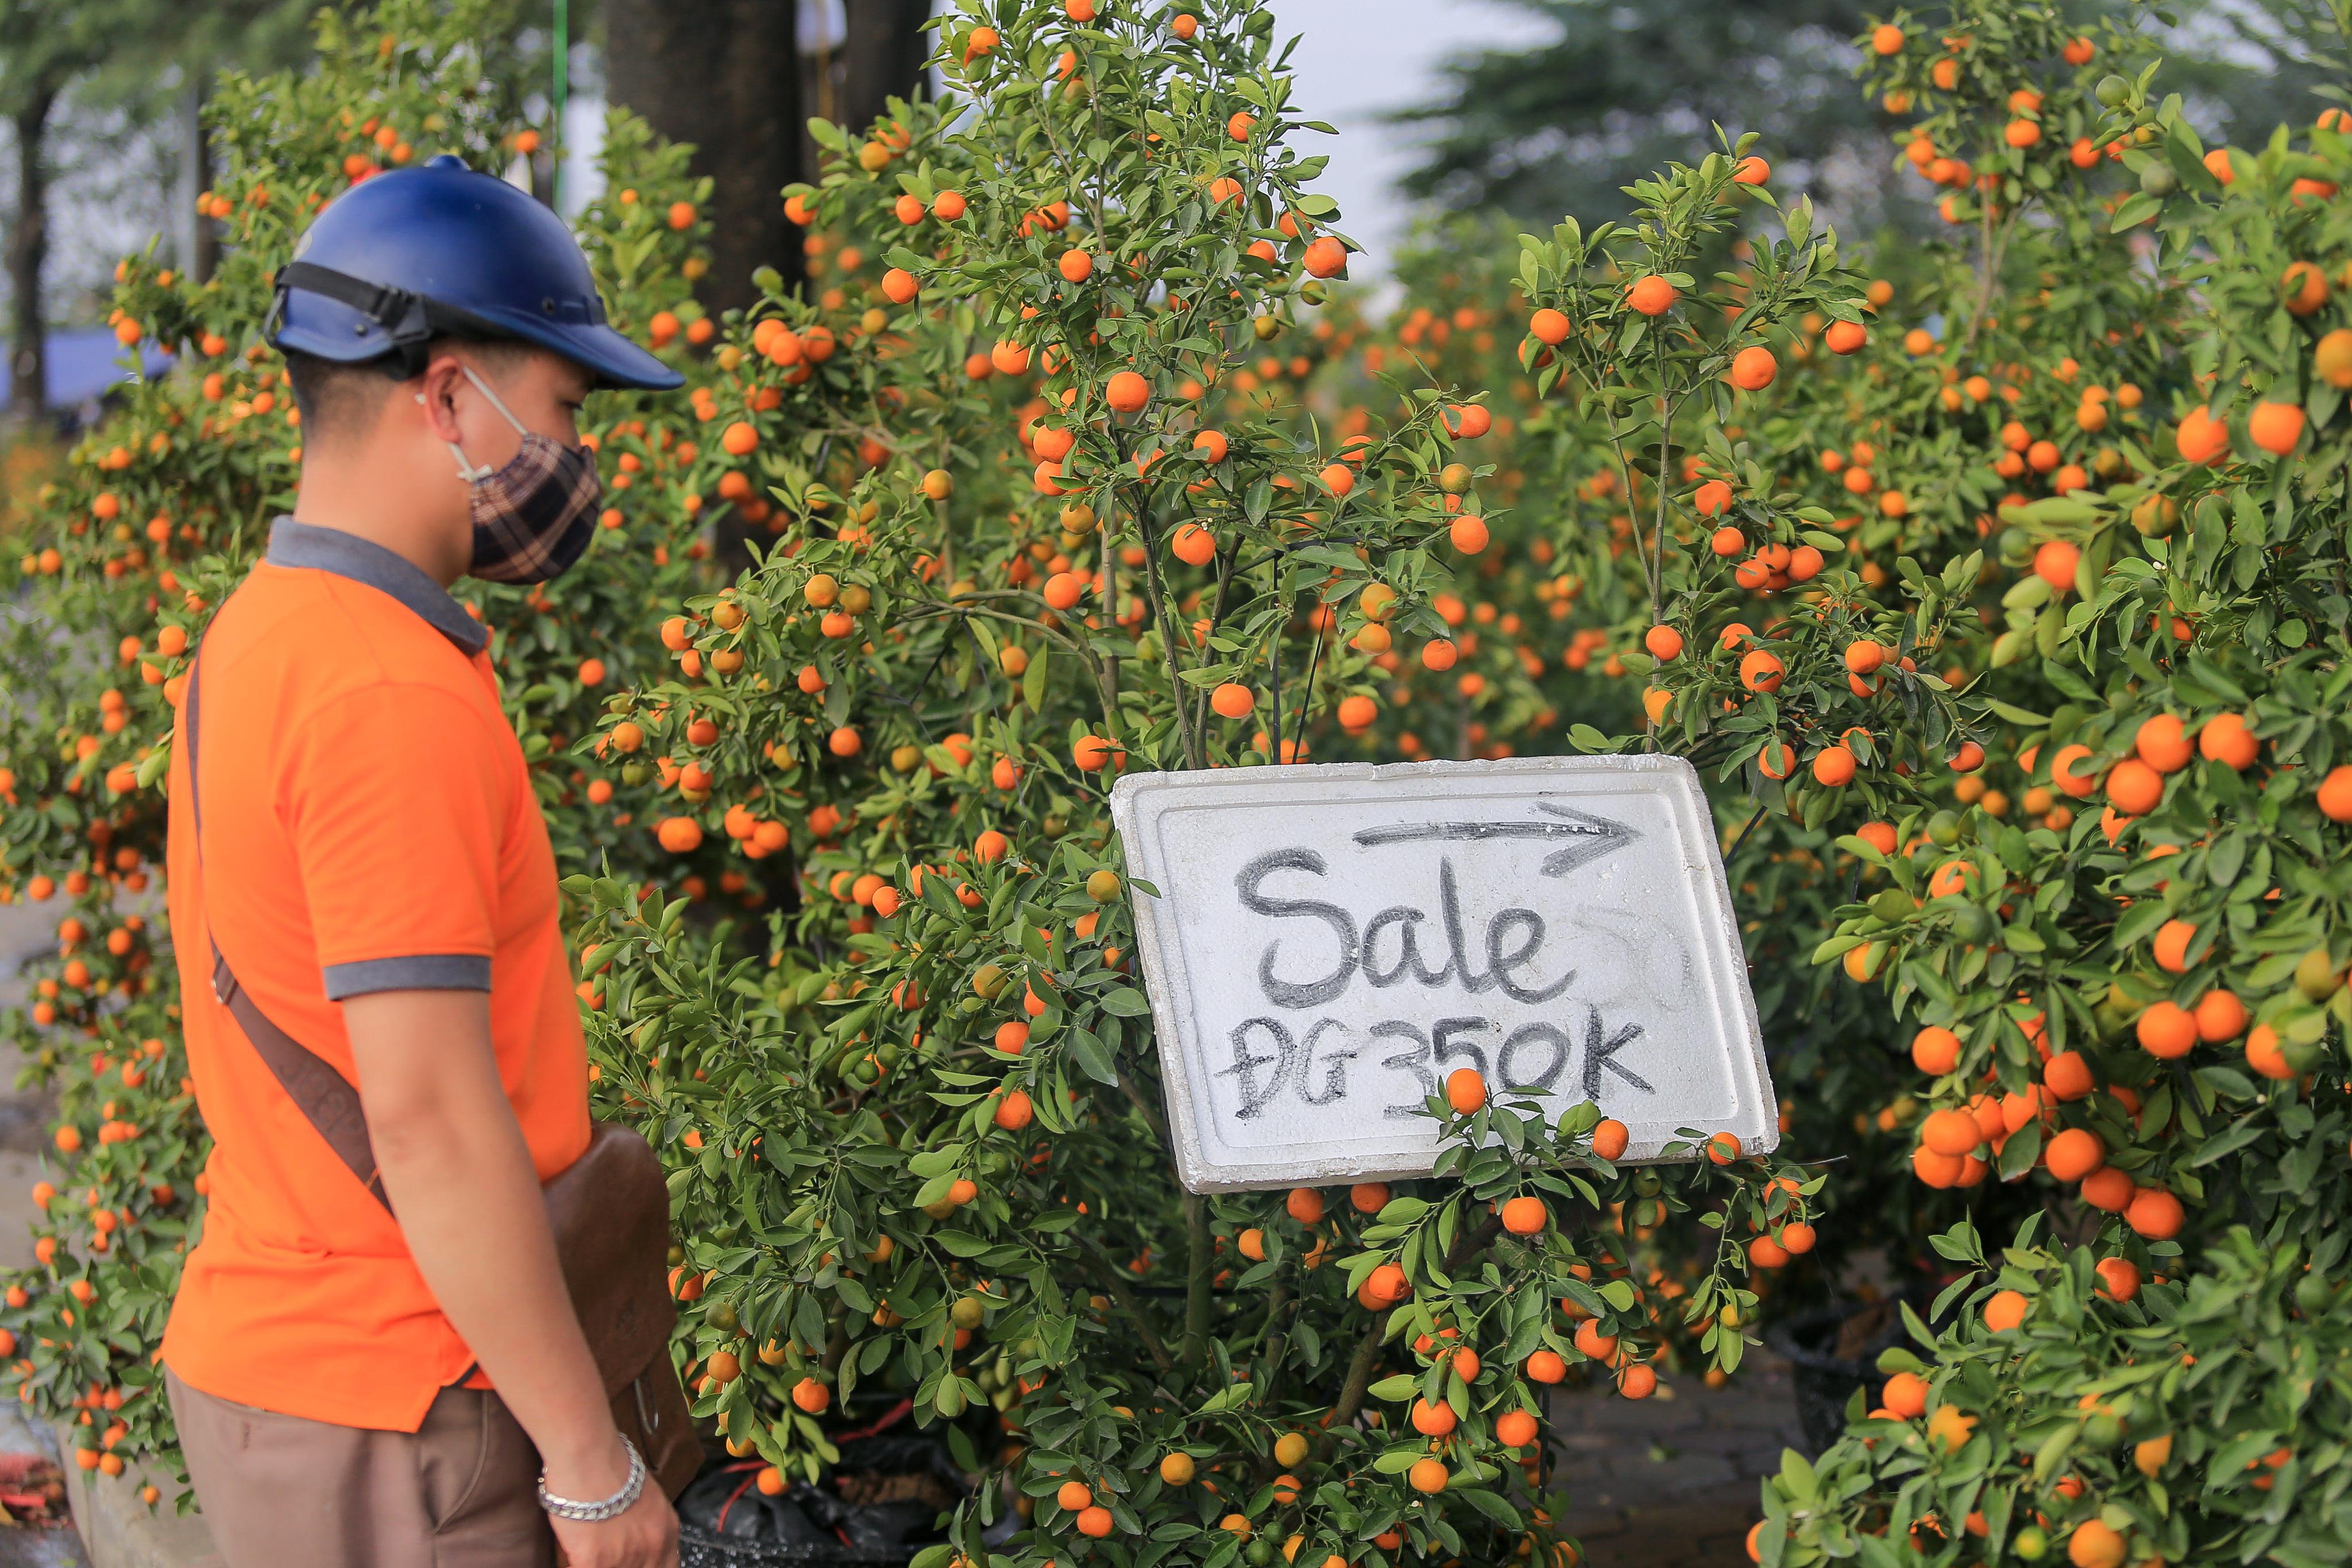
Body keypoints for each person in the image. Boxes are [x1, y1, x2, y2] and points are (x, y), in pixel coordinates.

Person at [159, 154, 685, 1567]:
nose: (577, 457)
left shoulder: (261, 634)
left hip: (299, 1369)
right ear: (448, 395)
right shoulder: (384, 691)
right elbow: (430, 1121)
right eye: (566, 410)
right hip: (406, 1411)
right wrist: (588, 1463)